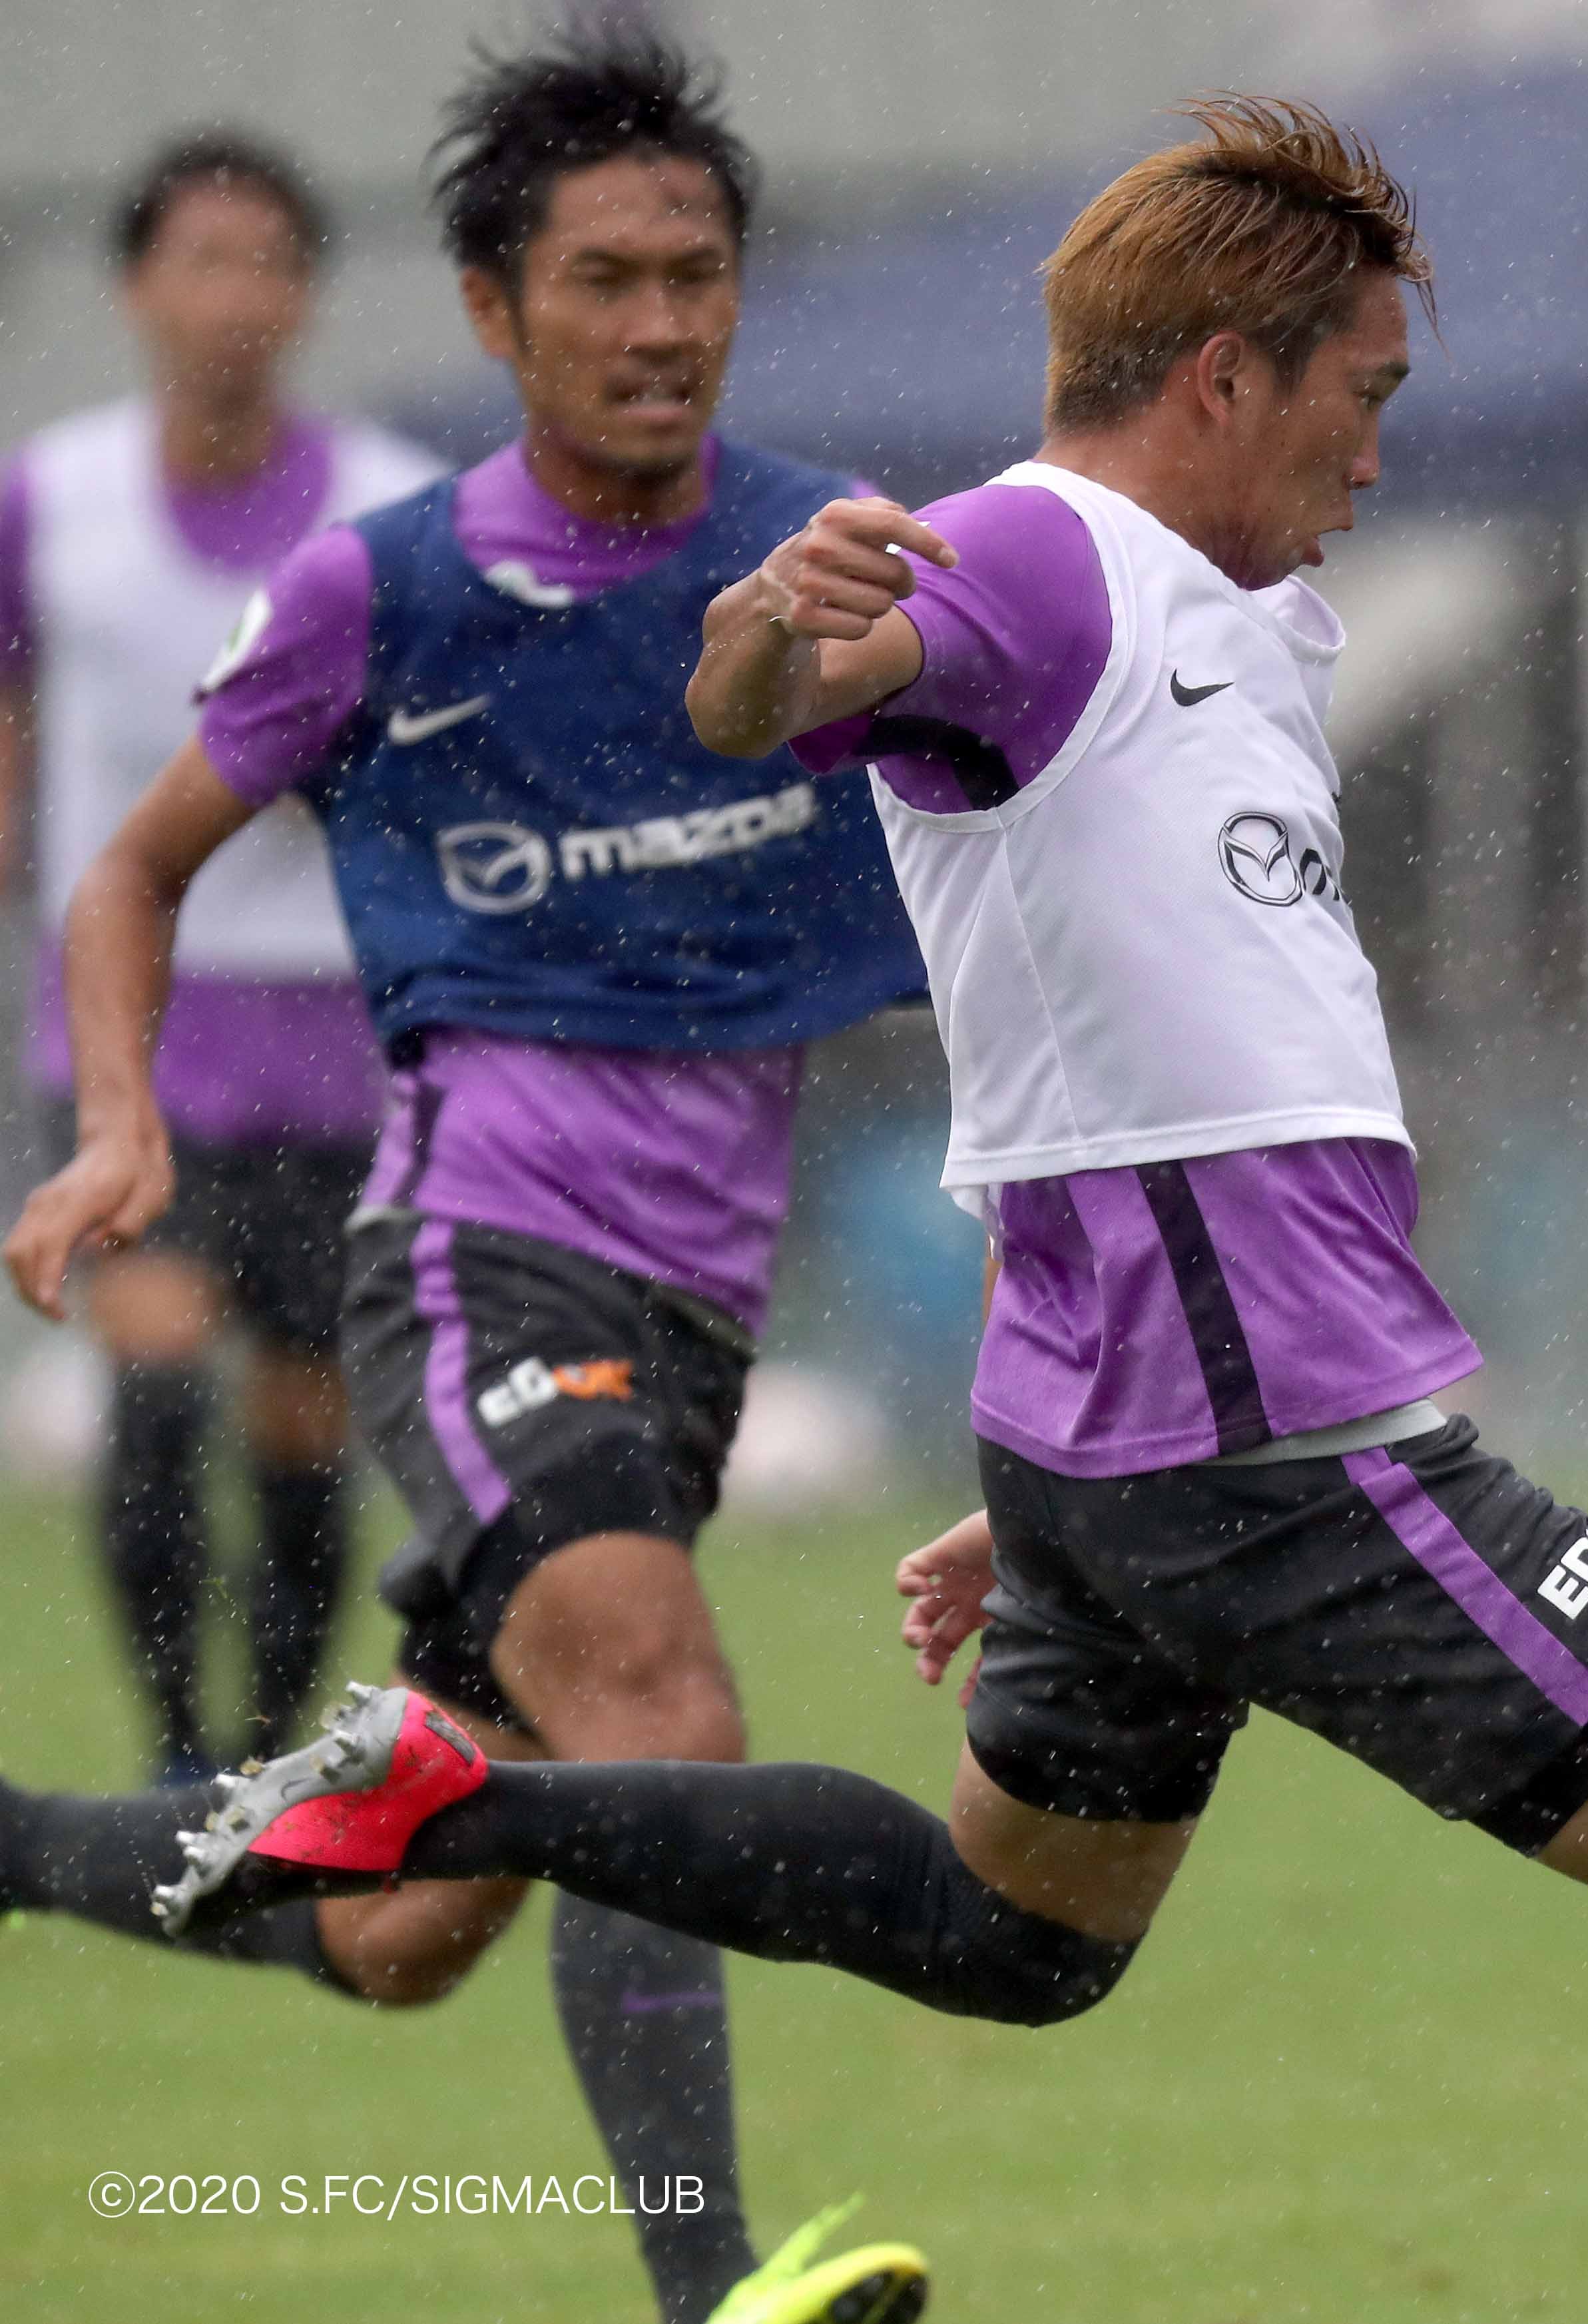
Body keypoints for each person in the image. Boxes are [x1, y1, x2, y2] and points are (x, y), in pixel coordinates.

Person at [136, 98, 1588, 2324]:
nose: (1377, 458)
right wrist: (760, 642)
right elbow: (782, 688)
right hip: (1268, 1448)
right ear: (1224, 375)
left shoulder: (1230, 614)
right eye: (1360, 399)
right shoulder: (1042, 558)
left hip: (1133, 1442)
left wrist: (1071, 1494)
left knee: (1020, 1943)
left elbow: (1164, 1055)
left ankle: (461, 1796)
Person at [0, 33, 927, 2324]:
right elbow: (125, 878)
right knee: (663, 1716)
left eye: (694, 274)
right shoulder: (380, 593)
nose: (659, 325)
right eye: (602, 279)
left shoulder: (839, 559)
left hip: (688, 1326)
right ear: (495, 309)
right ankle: (717, 2295)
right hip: (476, 1263)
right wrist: (113, 1122)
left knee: (407, 1929)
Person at [0, 133, 442, 1781]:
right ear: (134, 287)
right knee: (163, 1378)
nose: (236, 298)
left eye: (269, 262)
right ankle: (179, 1748)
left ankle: (267, 1754)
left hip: (345, 1022)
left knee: (306, 1428)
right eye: (202, 260)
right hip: (139, 1025)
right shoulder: (53, 498)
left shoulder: (395, 497)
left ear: (310, 292)